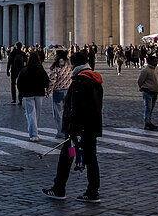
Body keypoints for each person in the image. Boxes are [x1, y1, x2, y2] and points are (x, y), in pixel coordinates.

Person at [43, 51, 103, 203]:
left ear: (75, 64)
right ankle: (93, 191)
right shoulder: (94, 79)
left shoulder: (80, 81)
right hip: (91, 128)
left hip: (77, 132)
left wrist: (74, 131)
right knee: (91, 158)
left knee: (67, 157)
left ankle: (59, 188)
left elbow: (76, 108)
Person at [17, 51, 50, 141]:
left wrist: (21, 93)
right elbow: (46, 81)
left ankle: (33, 133)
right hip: (39, 94)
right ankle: (35, 131)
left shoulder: (25, 69)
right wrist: (45, 88)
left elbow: (19, 82)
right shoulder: (41, 69)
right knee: (37, 114)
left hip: (28, 94)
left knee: (31, 113)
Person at [48, 50, 72, 138]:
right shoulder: (69, 65)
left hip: (58, 91)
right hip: (68, 90)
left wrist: (48, 91)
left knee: (58, 113)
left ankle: (60, 131)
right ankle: (67, 130)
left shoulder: (55, 67)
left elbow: (52, 80)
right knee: (67, 112)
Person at [138, 55, 158, 130]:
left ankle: (149, 121)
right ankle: (147, 123)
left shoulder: (155, 70)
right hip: (148, 91)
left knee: (151, 108)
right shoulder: (146, 70)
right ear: (150, 61)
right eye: (155, 61)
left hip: (154, 91)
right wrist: (143, 87)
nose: (156, 62)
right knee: (148, 108)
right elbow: (140, 81)